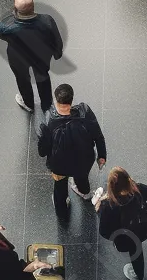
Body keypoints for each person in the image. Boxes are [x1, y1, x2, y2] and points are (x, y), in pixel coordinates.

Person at [37, 83, 107, 219]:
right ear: (72, 99)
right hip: (84, 161)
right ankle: (84, 192)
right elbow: (98, 135)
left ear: (56, 100)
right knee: (82, 178)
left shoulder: (48, 120)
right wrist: (102, 155)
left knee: (60, 188)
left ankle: (62, 208)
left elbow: (42, 152)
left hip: (59, 166)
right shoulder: (85, 112)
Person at [0, 0, 63, 113]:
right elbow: (56, 38)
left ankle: (28, 103)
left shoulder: (6, 26)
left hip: (18, 58)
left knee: (22, 79)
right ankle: (47, 106)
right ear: (33, 6)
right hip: (41, 56)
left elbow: (0, 34)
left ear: (15, 9)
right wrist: (57, 54)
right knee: (42, 77)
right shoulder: (47, 20)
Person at [95, 166, 147, 280]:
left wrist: (98, 210)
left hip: (127, 237)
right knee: (137, 249)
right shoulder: (138, 188)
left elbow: (104, 231)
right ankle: (138, 276)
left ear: (111, 187)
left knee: (135, 249)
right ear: (128, 179)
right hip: (145, 227)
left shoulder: (108, 205)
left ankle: (138, 277)